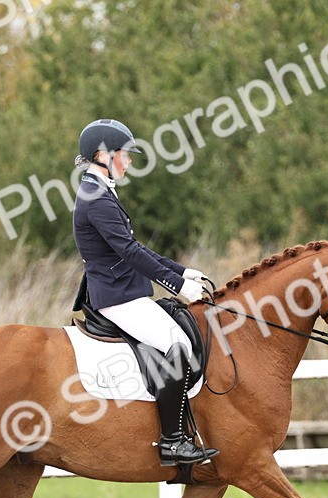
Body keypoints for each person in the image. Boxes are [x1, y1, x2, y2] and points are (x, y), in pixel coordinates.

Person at [71, 118, 218, 466]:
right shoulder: (96, 198)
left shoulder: (100, 189)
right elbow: (130, 253)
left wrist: (182, 271)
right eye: (126, 155)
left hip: (124, 290)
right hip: (117, 296)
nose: (131, 161)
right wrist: (178, 287)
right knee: (177, 345)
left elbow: (135, 247)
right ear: (103, 155)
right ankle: (172, 442)